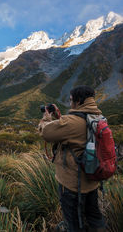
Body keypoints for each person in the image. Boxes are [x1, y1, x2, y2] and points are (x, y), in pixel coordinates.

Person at [38, 85, 105, 232]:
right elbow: (73, 134)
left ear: (78, 101)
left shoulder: (72, 121)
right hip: (92, 180)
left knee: (73, 221)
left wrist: (46, 119)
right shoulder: (97, 117)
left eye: (70, 100)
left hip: (72, 184)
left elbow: (46, 133)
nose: (70, 103)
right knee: (94, 216)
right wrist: (59, 119)